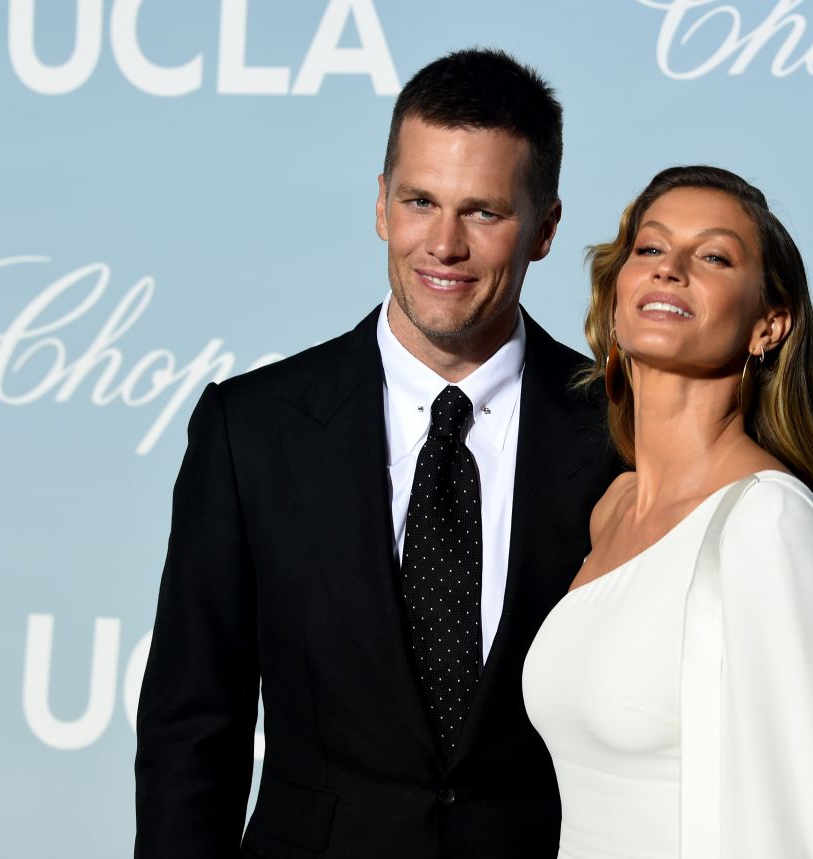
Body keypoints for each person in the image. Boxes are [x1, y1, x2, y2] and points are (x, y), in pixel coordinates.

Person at [134, 49, 618, 859]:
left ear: (546, 229)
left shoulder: (619, 433)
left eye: (484, 212)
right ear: (380, 205)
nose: (444, 244)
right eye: (419, 200)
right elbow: (193, 727)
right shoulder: (251, 429)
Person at [522, 166, 813, 858]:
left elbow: (802, 826)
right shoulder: (612, 508)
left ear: (768, 324)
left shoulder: (768, 526)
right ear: (618, 289)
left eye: (713, 256)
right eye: (650, 249)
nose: (671, 270)